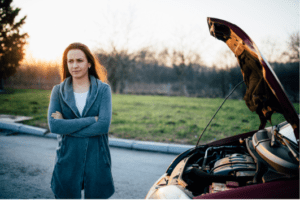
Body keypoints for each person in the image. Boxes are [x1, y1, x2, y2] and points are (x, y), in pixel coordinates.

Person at [48, 42, 114, 199]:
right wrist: (92, 119)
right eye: (70, 61)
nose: (74, 65)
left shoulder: (103, 90)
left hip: (96, 157)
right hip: (67, 157)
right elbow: (54, 125)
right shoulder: (58, 91)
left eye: (79, 60)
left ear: (89, 63)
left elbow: (103, 126)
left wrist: (67, 126)